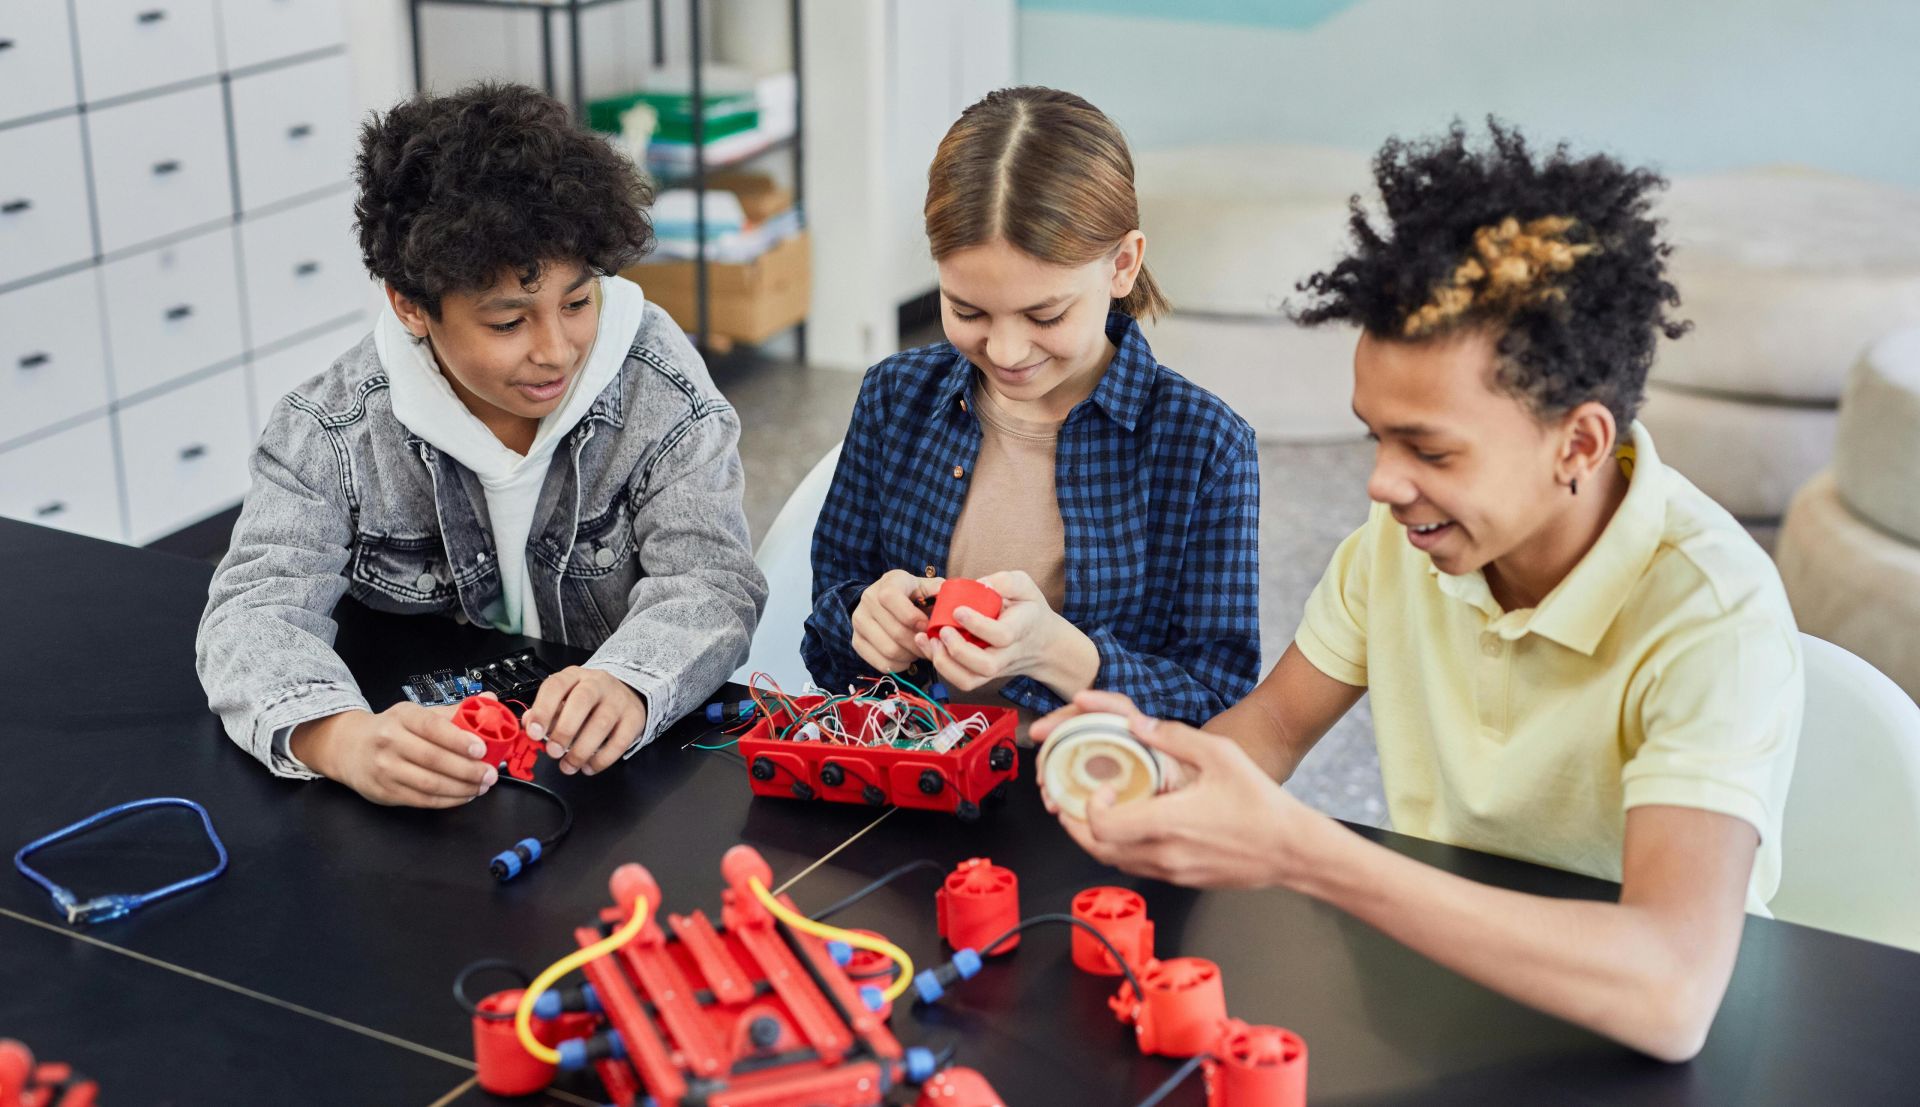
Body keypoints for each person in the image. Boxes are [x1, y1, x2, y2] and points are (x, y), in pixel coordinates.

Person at [1037, 121, 1801, 1061]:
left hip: (1630, 1047)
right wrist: (1149, 767)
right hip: (1443, 1003)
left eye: (1430, 449)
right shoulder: (1401, 549)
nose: (1381, 484)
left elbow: (1671, 992)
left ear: (1580, 443)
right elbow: (1271, 729)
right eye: (1375, 436)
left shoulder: (1712, 617)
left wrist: (1304, 851)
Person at [197, 82, 765, 806]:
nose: (556, 351)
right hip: (432, 775)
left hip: (611, 784)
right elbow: (251, 612)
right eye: (508, 323)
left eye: (578, 301)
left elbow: (711, 580)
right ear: (410, 305)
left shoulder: (658, 385)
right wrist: (340, 738)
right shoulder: (333, 430)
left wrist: (627, 678)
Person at [802, 87, 1260, 728]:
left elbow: (1221, 702)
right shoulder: (893, 397)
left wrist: (1059, 655)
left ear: (1123, 266)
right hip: (909, 776)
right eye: (967, 311)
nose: (1007, 349)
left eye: (1046, 314)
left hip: (1092, 797)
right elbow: (829, 622)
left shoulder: (1205, 444)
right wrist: (863, 621)